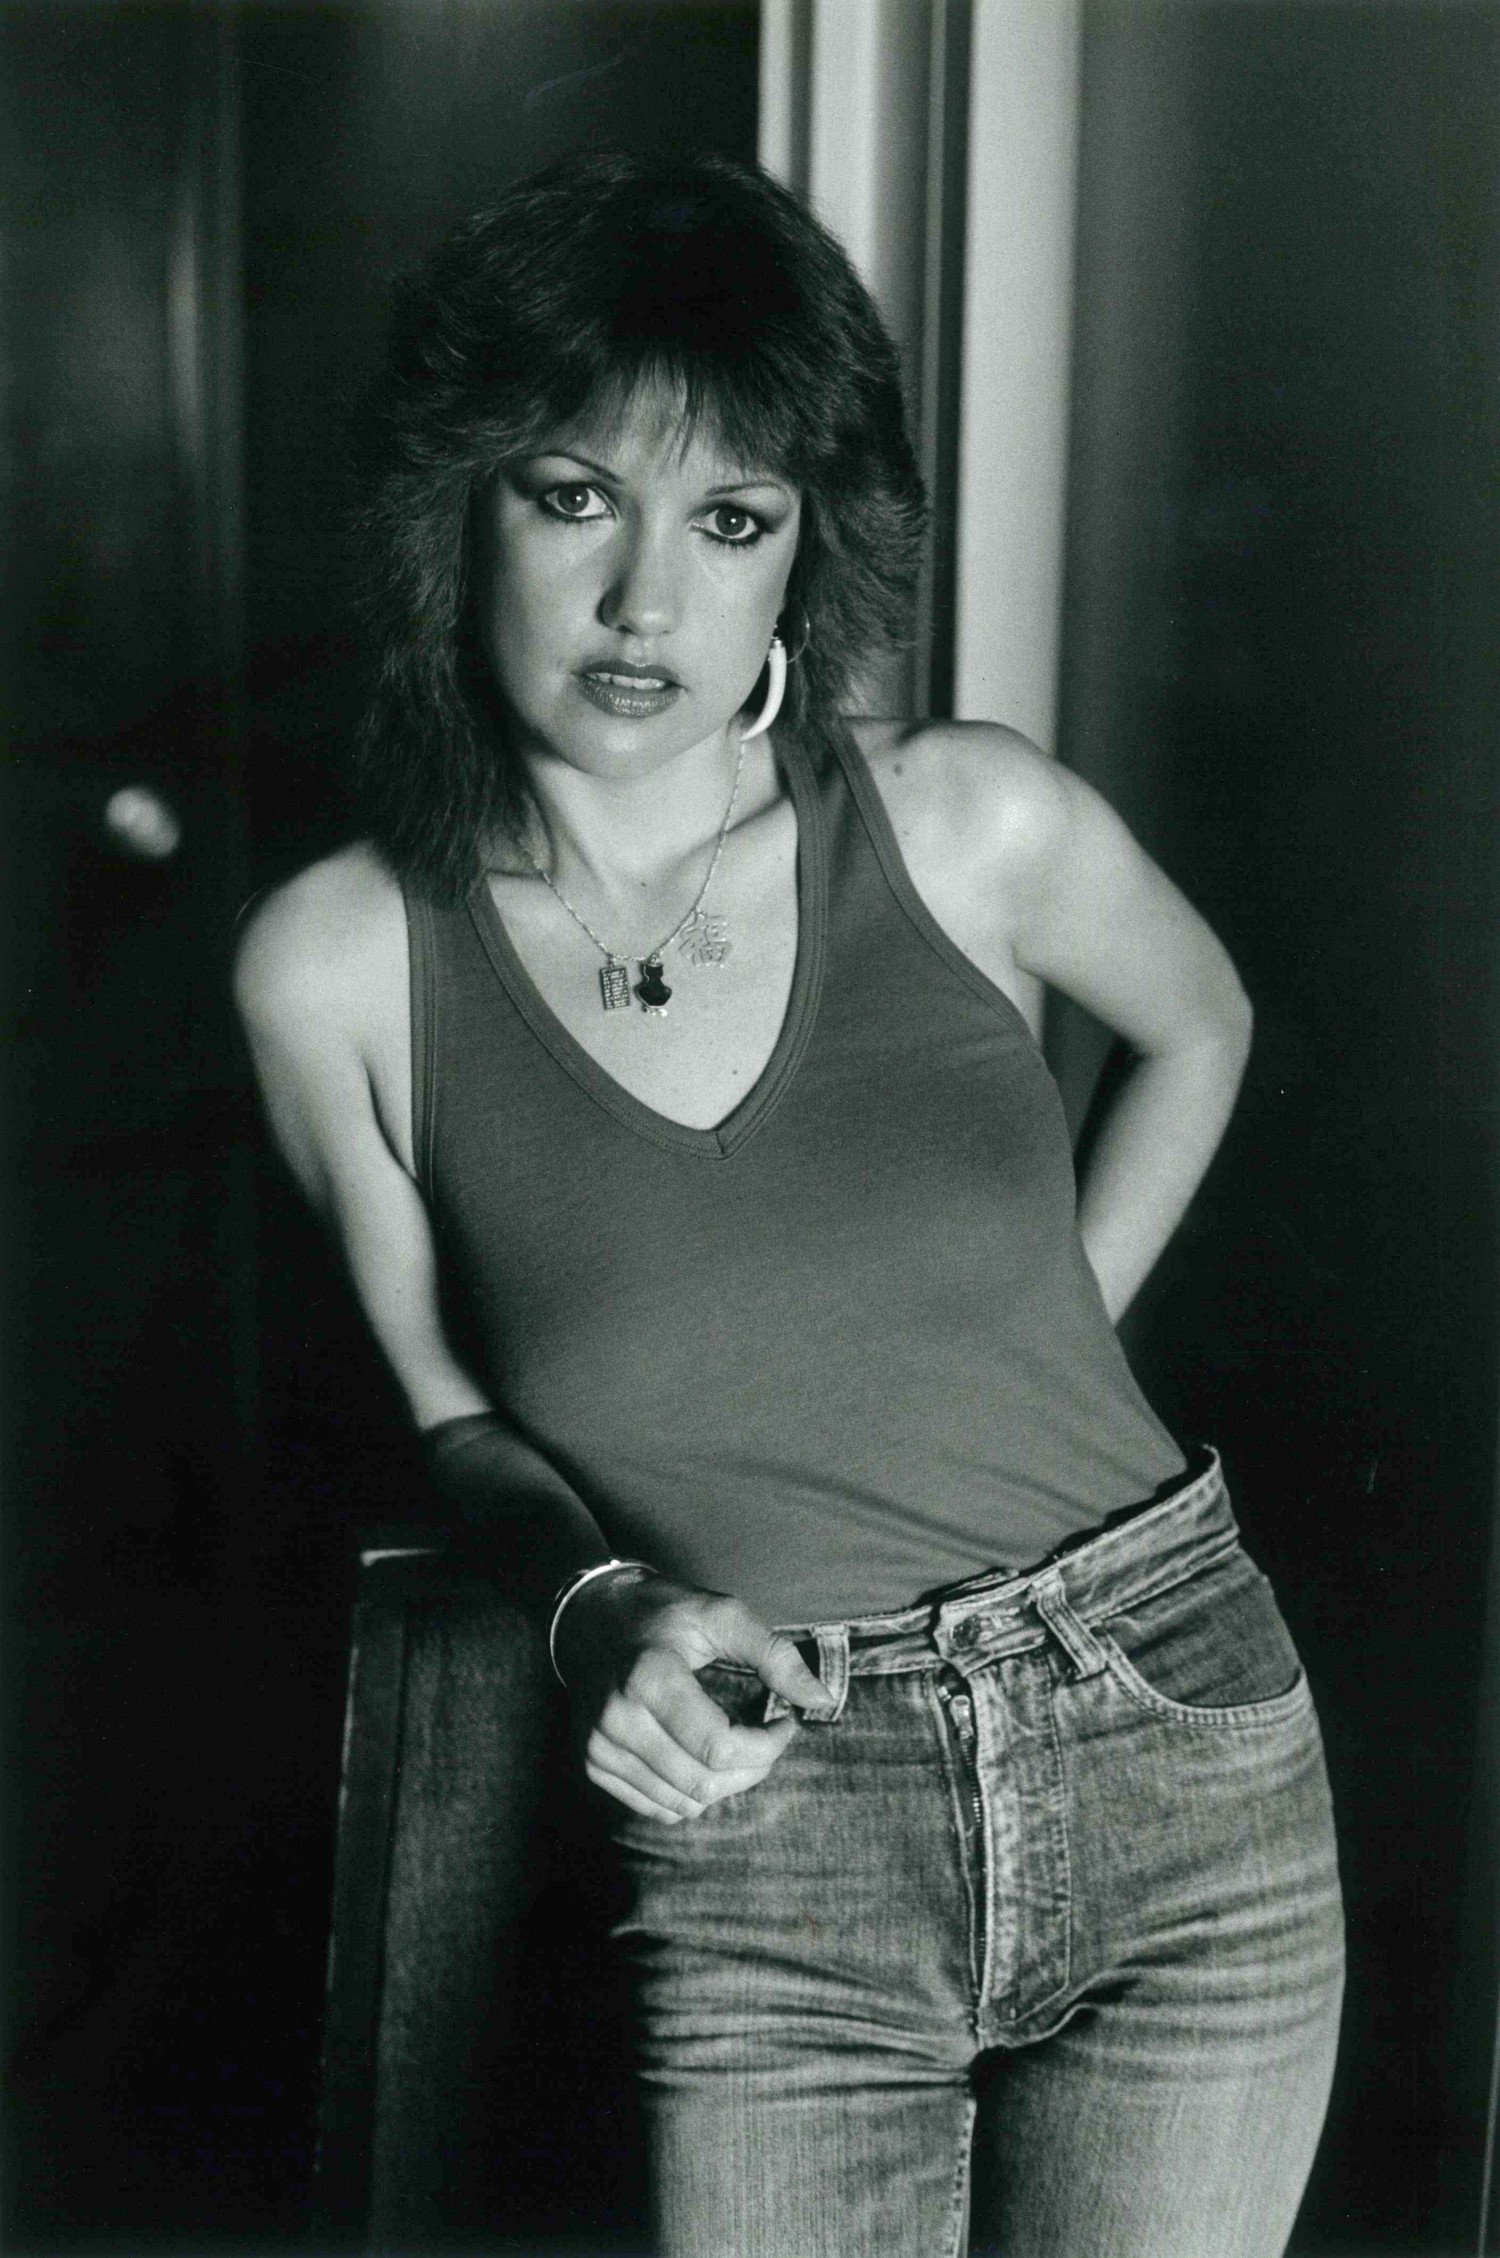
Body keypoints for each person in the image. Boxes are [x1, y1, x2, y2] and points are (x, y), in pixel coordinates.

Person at [234, 149, 1344, 2258]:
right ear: (457, 508)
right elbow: (448, 1403)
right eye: (576, 498)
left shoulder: (967, 819)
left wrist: (1052, 1316)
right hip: (771, 1798)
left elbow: (1201, 1021)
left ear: (804, 554)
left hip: (1172, 1726)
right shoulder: (336, 960)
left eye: (730, 520)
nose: (647, 603)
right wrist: (601, 1604)